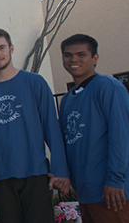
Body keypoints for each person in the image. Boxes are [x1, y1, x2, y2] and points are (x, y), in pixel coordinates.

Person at [0, 28, 70, 223]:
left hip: (35, 173)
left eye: (1, 48)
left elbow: (51, 127)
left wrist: (61, 171)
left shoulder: (35, 83)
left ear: (11, 48)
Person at [59, 34, 129, 223]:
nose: (74, 59)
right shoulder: (67, 100)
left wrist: (115, 180)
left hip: (112, 192)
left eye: (81, 54)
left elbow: (121, 136)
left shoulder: (108, 87)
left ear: (94, 58)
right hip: (86, 192)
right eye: (68, 55)